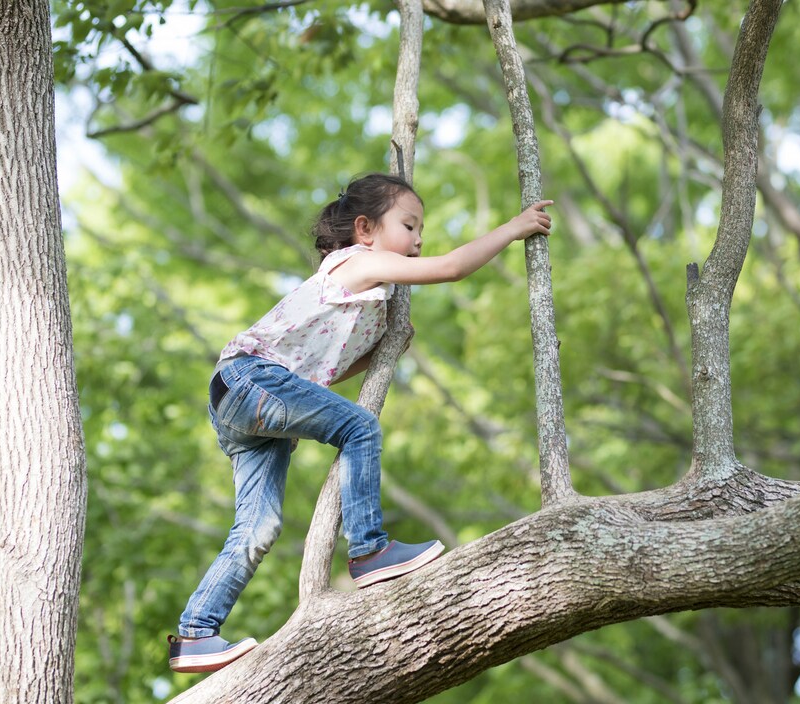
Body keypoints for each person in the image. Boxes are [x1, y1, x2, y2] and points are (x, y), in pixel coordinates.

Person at [167, 173, 553, 673]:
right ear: (365, 229)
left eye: (421, 231)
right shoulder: (359, 261)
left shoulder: (368, 288)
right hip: (252, 379)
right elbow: (453, 267)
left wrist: (380, 352)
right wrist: (514, 227)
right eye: (409, 226)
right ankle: (369, 550)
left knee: (259, 527)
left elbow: (321, 373)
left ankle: (197, 632)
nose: (418, 240)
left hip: (238, 399)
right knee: (360, 428)